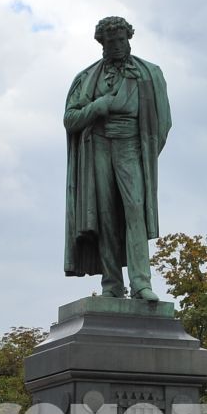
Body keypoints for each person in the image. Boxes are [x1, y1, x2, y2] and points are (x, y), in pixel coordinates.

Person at [63, 15, 171, 301]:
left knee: (134, 211)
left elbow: (163, 123)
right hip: (97, 146)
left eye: (120, 40)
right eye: (110, 41)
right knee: (106, 215)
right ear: (102, 43)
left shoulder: (151, 73)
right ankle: (112, 284)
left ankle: (140, 283)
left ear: (129, 39)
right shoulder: (86, 78)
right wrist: (97, 107)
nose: (116, 46)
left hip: (131, 147)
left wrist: (144, 153)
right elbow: (70, 119)